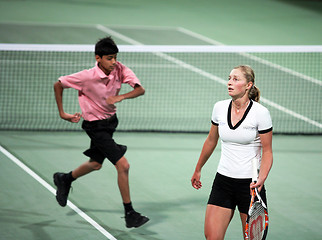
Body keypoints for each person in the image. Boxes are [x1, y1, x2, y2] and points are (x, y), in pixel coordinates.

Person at [53, 36, 149, 228]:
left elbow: (140, 90)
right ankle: (130, 213)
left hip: (110, 123)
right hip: (95, 127)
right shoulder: (86, 77)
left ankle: (65, 179)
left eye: (115, 57)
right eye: (109, 58)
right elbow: (58, 84)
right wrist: (63, 113)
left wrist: (121, 96)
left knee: (96, 164)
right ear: (98, 58)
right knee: (123, 165)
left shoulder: (119, 69)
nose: (113, 62)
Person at [191, 65, 273, 240]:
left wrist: (262, 178)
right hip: (223, 182)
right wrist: (198, 169)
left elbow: (267, 151)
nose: (229, 82)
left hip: (249, 186)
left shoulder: (261, 113)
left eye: (236, 79)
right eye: (229, 78)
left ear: (248, 85)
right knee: (212, 237)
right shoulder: (219, 108)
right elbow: (211, 140)